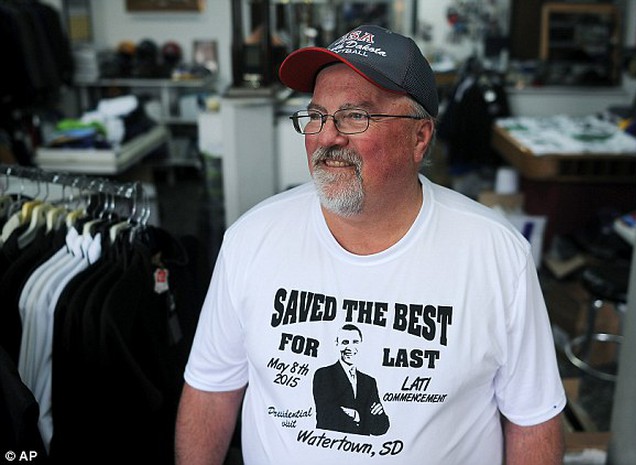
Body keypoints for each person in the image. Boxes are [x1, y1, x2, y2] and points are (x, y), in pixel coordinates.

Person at [175, 24, 566, 465]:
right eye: (317, 115)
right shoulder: (251, 239)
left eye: (355, 116)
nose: (326, 137)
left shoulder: (495, 255)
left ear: (419, 137)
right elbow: (211, 390)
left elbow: (532, 420)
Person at [312, 324, 389, 435]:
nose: (350, 348)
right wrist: (363, 416)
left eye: (355, 342)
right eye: (345, 342)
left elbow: (380, 428)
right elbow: (327, 417)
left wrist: (356, 415)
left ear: (361, 344)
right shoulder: (323, 375)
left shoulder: (369, 382)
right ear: (337, 344)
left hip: (362, 449)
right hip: (330, 447)